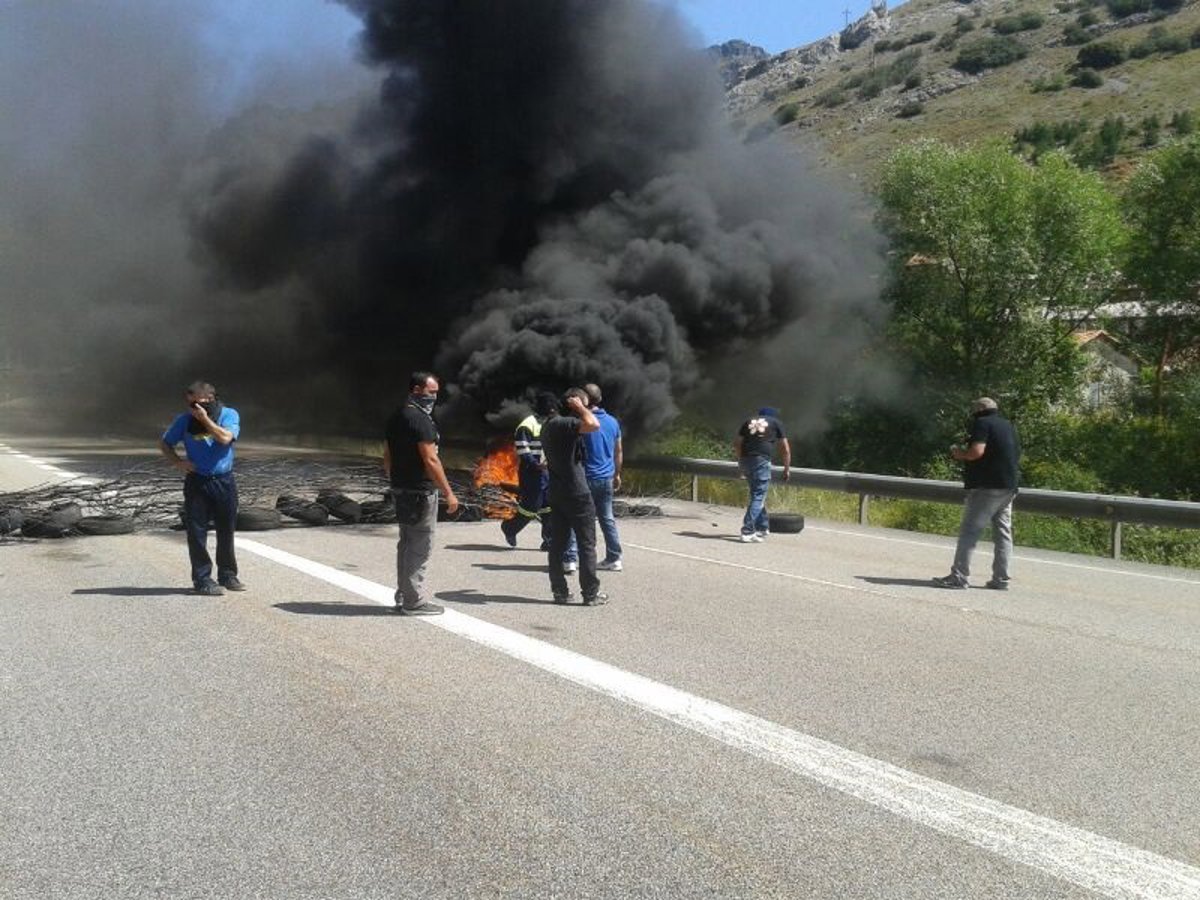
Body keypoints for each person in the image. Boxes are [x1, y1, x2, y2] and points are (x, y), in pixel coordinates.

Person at [383, 371, 460, 615]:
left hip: (402, 489)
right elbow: (431, 459)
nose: (434, 398)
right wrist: (448, 493)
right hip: (420, 492)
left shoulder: (397, 416)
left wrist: (394, 480)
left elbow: (387, 454)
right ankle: (413, 601)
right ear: (416, 390)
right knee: (420, 546)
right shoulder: (421, 420)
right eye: (431, 392)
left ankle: (403, 595)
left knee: (406, 543)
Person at [159, 381, 244, 596]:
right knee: (197, 533)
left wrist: (205, 420)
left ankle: (228, 574)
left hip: (223, 481)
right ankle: (202, 579)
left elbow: (225, 438)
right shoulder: (184, 420)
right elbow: (165, 443)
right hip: (197, 481)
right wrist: (178, 462)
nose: (196, 408)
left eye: (201, 403)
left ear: (211, 399)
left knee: (226, 530)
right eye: (192, 403)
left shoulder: (229, 415)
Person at [933, 397, 1021, 590]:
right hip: (1009, 486)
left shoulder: (982, 423)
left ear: (980, 409)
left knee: (970, 531)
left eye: (974, 409)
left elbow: (977, 452)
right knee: (1003, 533)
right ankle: (1001, 579)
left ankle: (959, 577)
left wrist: (959, 453)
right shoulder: (1008, 425)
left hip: (987, 486)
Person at [541, 387, 607, 605]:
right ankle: (590, 594)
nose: (588, 409)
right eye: (585, 404)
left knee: (558, 545)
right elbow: (593, 425)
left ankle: (560, 592)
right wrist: (580, 408)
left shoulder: (547, 426)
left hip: (557, 492)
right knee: (587, 544)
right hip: (577, 493)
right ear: (573, 403)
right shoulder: (564, 423)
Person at [500, 392, 557, 550]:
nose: (553, 410)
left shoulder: (551, 422)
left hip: (548, 472)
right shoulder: (527, 425)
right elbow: (523, 450)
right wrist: (535, 464)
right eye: (550, 406)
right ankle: (509, 528)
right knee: (532, 506)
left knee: (548, 506)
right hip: (531, 472)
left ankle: (549, 541)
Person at [580, 382, 624, 571]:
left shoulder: (583, 422)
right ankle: (614, 558)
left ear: (585, 399)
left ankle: (573, 559)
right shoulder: (613, 422)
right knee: (607, 518)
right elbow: (618, 451)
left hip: (585, 478)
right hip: (606, 478)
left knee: (579, 518)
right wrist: (617, 474)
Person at [734, 406, 790, 542]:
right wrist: (786, 468)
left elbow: (737, 444)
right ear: (773, 416)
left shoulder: (748, 421)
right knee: (759, 496)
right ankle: (747, 531)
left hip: (746, 460)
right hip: (761, 460)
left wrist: (741, 464)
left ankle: (762, 528)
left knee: (756, 495)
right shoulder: (776, 423)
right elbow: (785, 448)